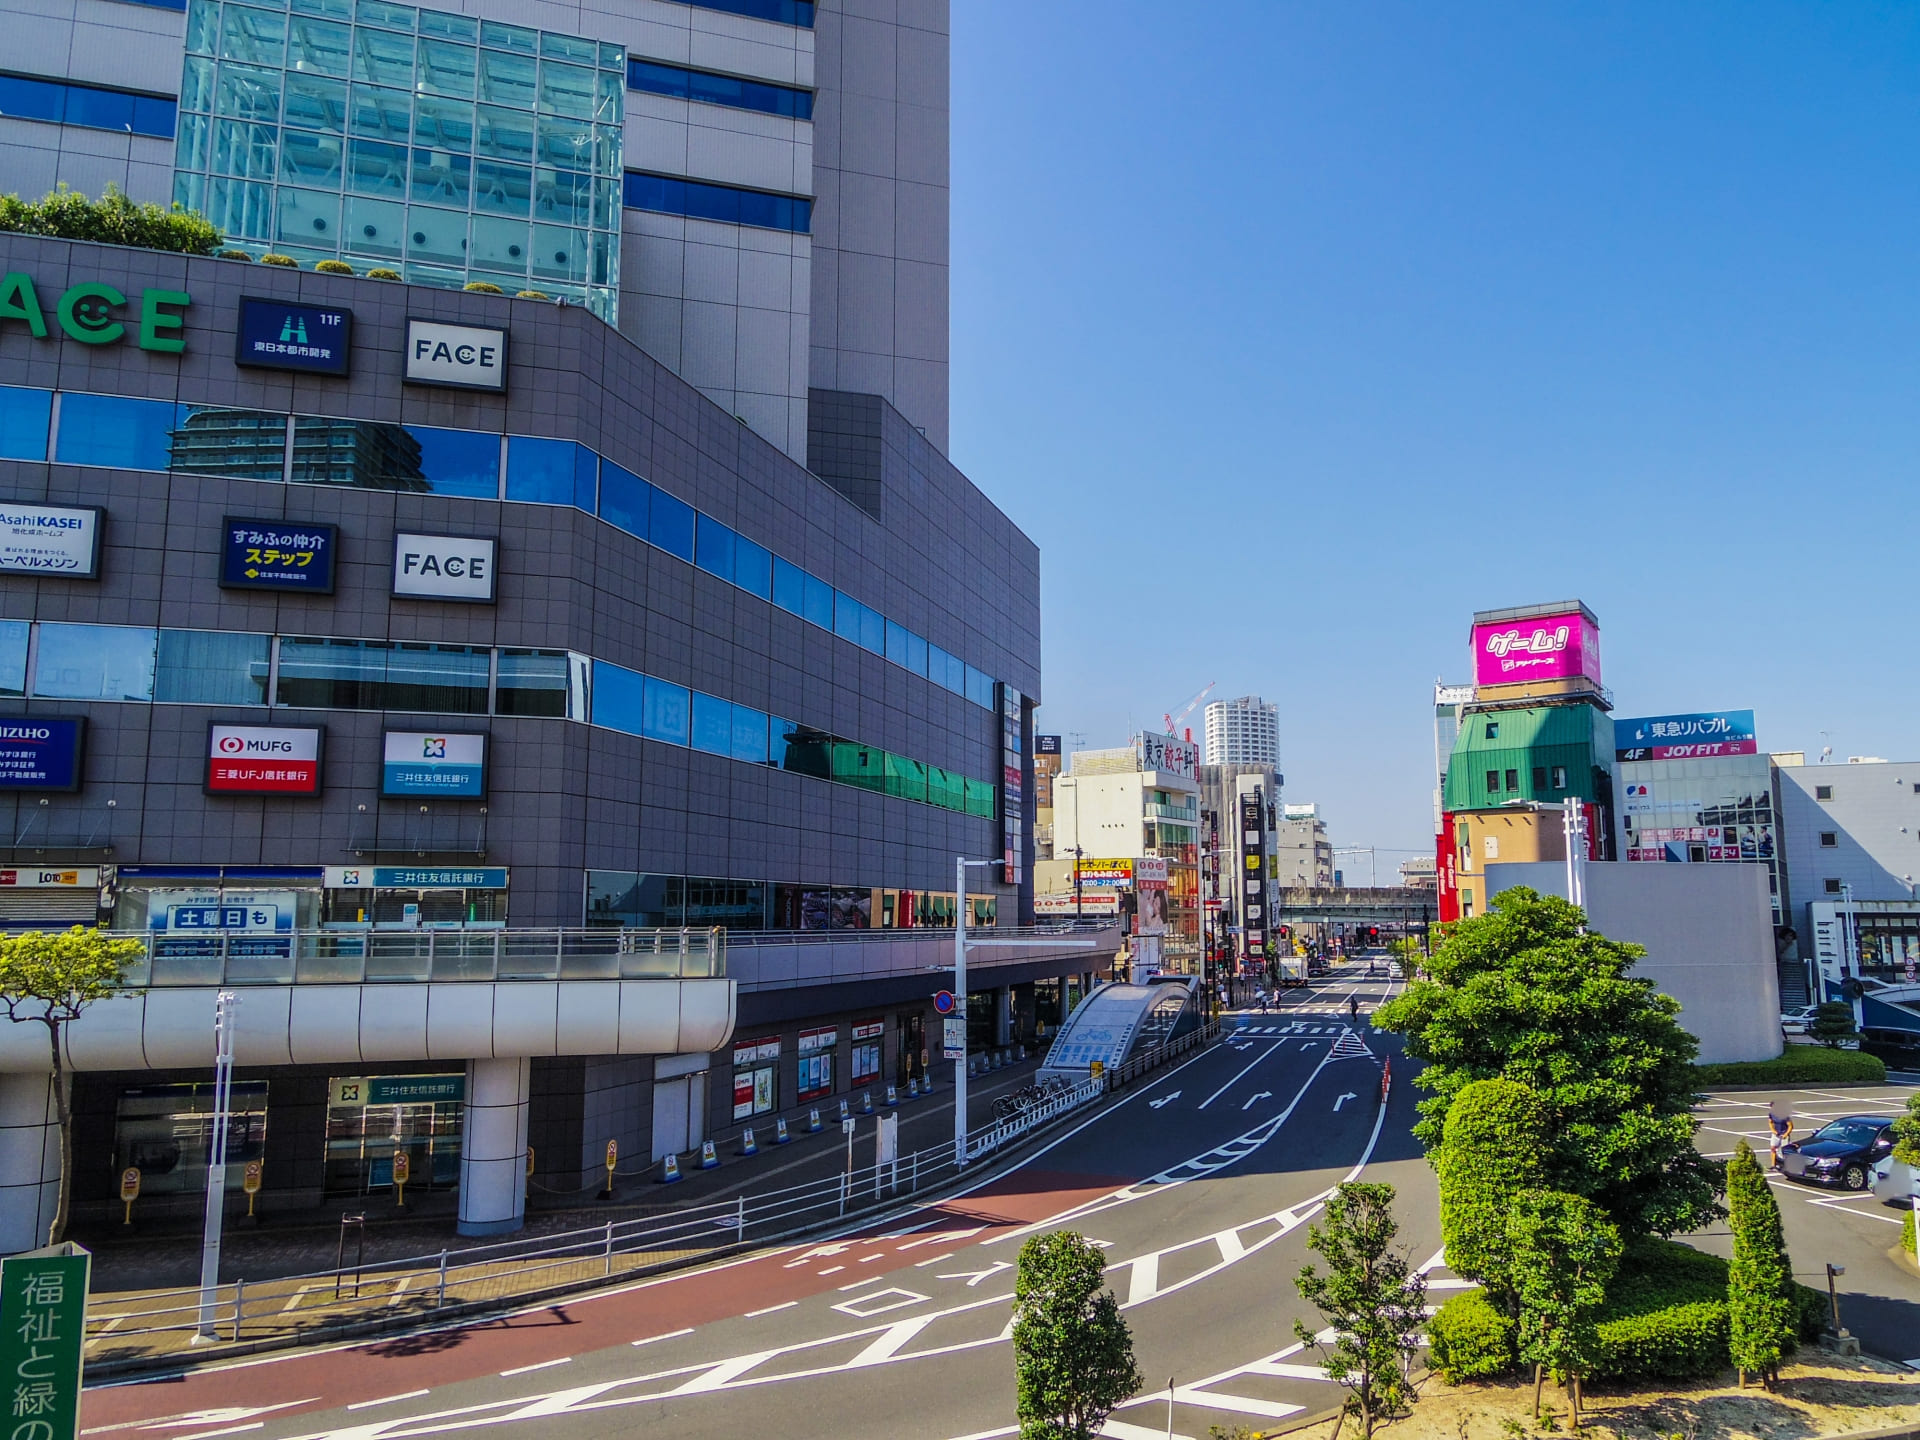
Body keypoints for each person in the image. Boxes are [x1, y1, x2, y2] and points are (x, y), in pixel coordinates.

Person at [1767, 1102, 1793, 1170]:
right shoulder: (1771, 1114)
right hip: (1776, 1134)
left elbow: (1790, 1126)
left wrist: (1786, 1134)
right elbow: (1770, 1122)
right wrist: (1773, 1130)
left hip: (1784, 1134)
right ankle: (1773, 1165)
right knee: (1773, 1148)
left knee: (1784, 1151)